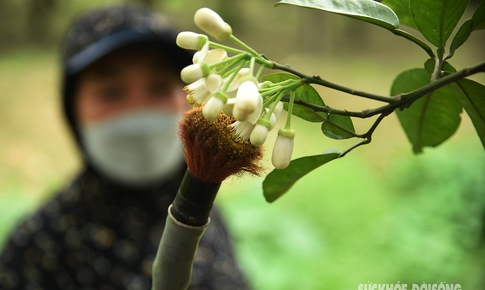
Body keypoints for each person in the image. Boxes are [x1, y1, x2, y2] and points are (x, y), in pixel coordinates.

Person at [0, 5, 250, 290]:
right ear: (72, 110)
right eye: (112, 93)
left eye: (158, 88)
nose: (138, 111)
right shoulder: (38, 247)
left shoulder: (209, 217)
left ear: (190, 99)